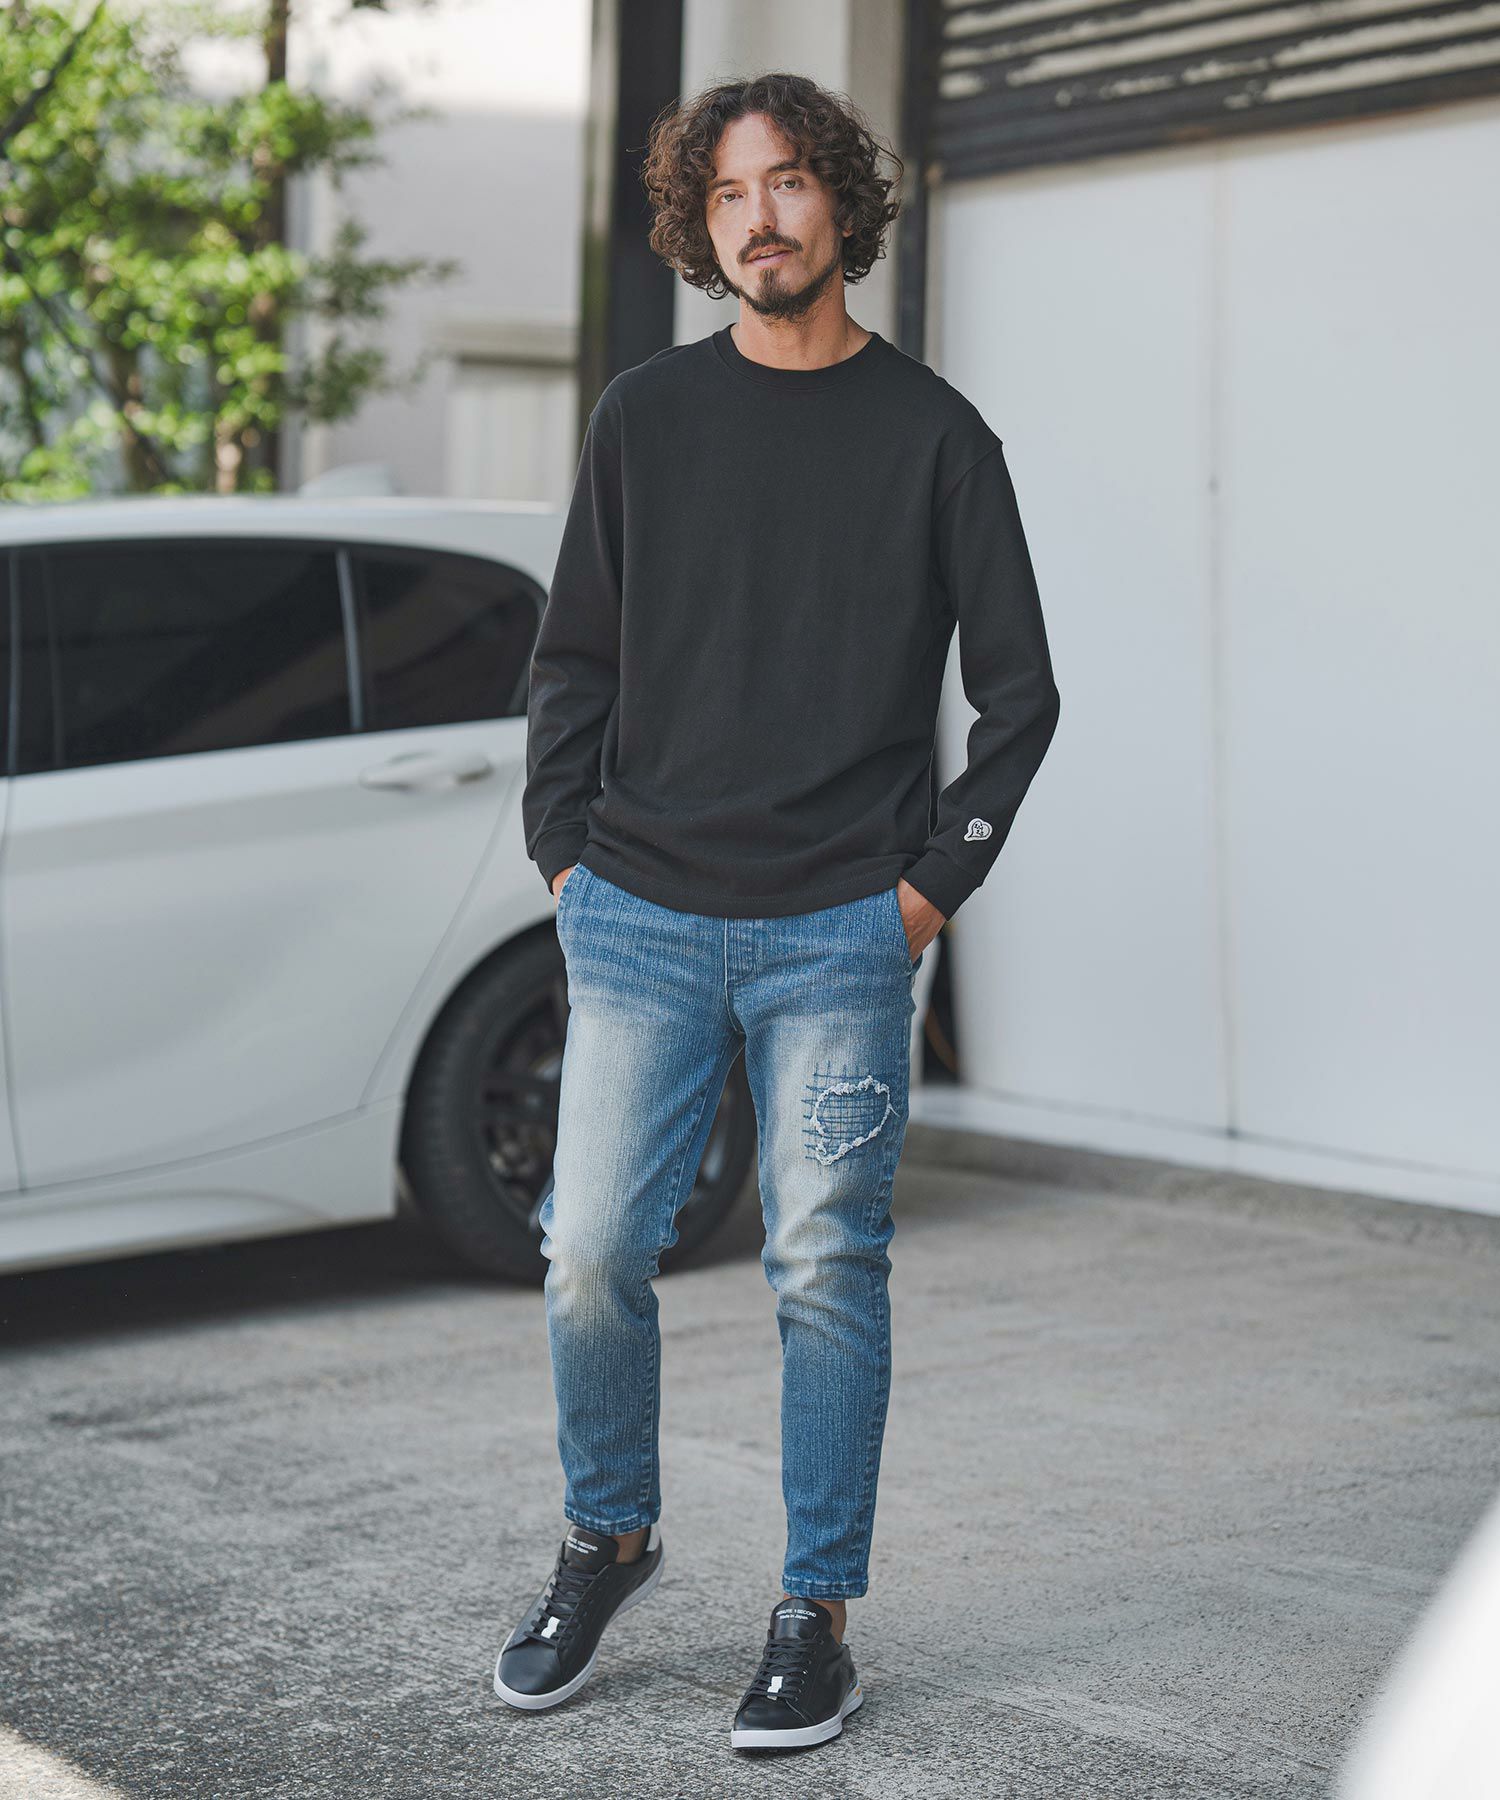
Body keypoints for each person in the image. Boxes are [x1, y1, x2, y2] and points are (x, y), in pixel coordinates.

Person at [494, 71, 1061, 1752]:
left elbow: (1021, 696)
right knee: (590, 1253)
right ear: (702, 223)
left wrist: (929, 888)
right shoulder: (645, 419)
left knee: (824, 1270)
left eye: (791, 182)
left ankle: (815, 1613)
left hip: (840, 934)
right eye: (731, 192)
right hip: (642, 916)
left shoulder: (937, 438)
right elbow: (574, 659)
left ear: (842, 206)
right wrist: (563, 854)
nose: (762, 217)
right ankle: (610, 1536)